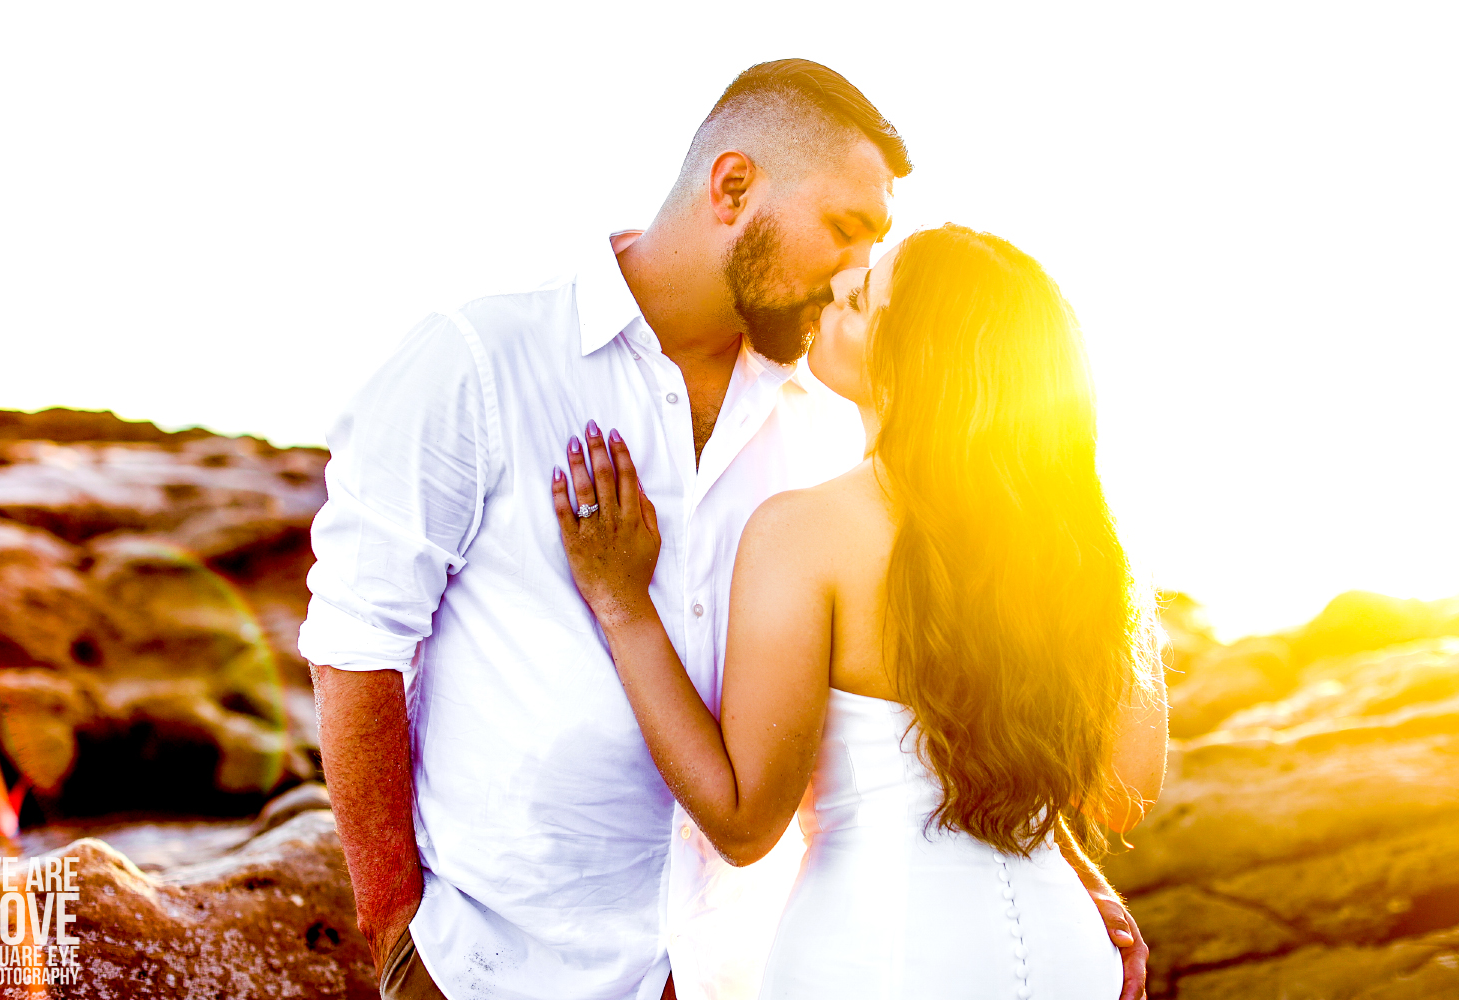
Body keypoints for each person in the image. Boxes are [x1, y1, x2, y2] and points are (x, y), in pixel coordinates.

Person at [301, 56, 1149, 1000]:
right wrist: (393, 929)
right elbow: (357, 642)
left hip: (721, 971)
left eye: (874, 250)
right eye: (843, 229)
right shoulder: (480, 358)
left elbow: (948, 683)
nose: (854, 271)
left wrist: (1064, 867)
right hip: (499, 965)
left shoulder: (837, 417)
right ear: (734, 186)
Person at [551, 224, 1168, 999]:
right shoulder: (1090, 550)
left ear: (917, 363)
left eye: (866, 297)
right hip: (1072, 955)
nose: (841, 286)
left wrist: (621, 604)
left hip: (880, 953)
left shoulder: (807, 531)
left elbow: (743, 824)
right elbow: (1122, 791)